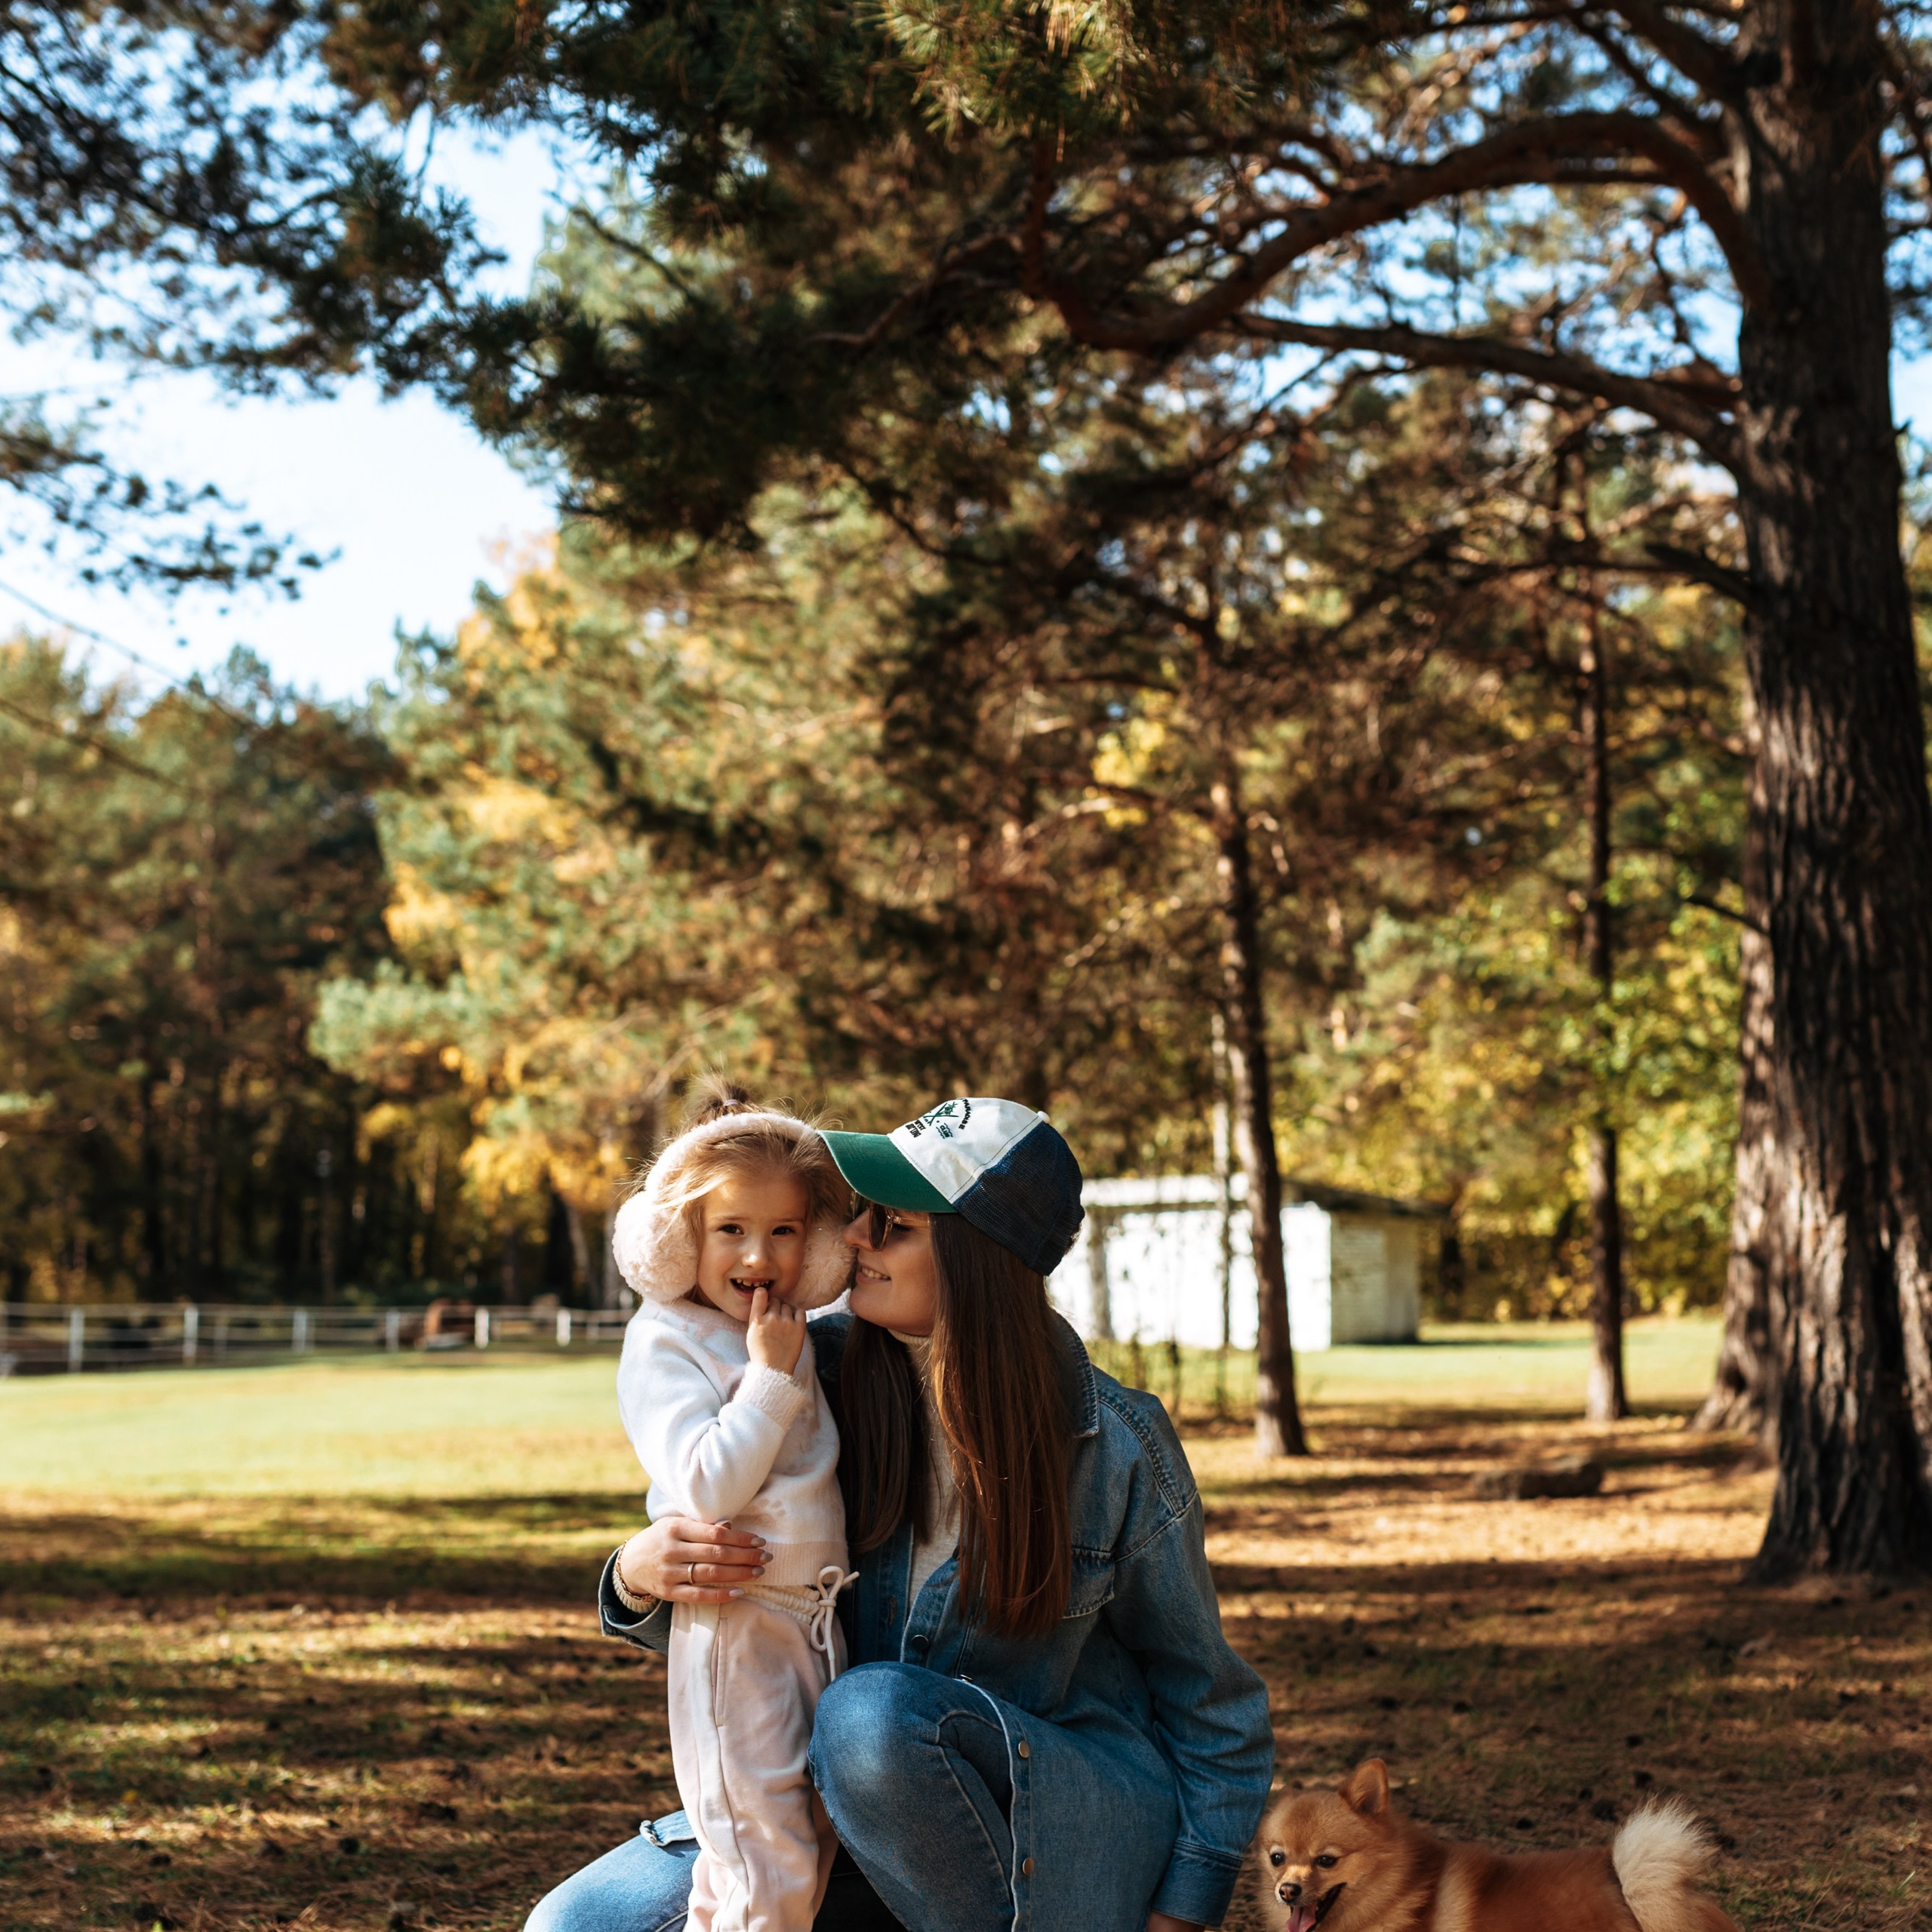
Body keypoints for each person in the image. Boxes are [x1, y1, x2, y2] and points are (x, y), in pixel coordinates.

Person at [528, 1097, 1274, 1932]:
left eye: (892, 1226)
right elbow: (766, 1619)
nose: (850, 1238)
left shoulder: (1115, 1442)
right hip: (848, 1808)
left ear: (975, 1257)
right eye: (861, 1217)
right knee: (577, 1924)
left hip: (1050, 1829)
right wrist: (636, 1578)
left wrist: (1185, 1910)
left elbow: (1210, 1704)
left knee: (869, 1716)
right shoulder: (817, 1375)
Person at [608, 1081, 857, 1932]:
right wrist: (772, 1376)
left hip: (813, 1622)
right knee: (762, 1851)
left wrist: (778, 1360)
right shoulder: (667, 1339)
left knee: (794, 1845)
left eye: (784, 1231)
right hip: (738, 1623)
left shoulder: (788, 1330)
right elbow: (707, 1485)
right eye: (731, 1231)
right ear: (680, 1238)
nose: (759, 1257)